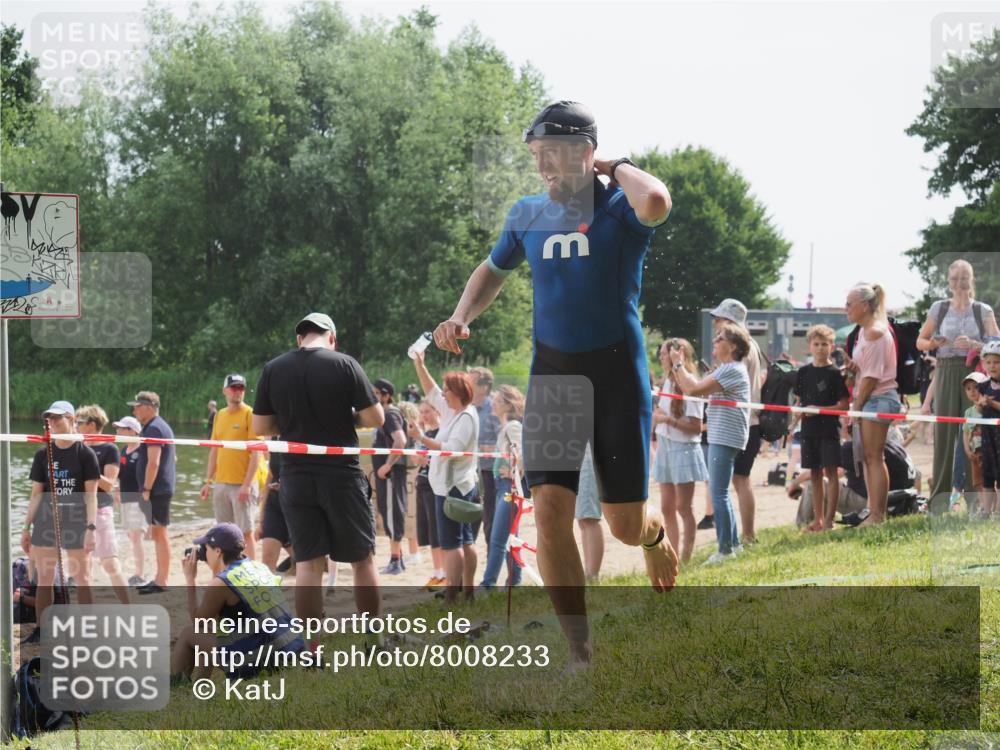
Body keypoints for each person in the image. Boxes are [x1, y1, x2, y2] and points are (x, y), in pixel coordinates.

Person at [432, 100, 676, 665]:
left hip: (618, 375)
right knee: (548, 510)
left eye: (554, 157)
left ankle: (654, 532)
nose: (543, 168)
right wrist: (462, 316)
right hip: (556, 377)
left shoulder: (619, 207)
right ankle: (580, 652)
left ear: (587, 154)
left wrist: (612, 166)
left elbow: (658, 201)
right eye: (536, 157)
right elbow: (491, 271)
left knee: (622, 524)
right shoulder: (526, 214)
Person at [252, 312, 384, 624]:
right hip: (341, 475)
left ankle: (313, 646)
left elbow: (260, 426)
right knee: (362, 559)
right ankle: (372, 637)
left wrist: (290, 422)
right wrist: (346, 417)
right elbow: (374, 418)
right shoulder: (345, 364)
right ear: (332, 338)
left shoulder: (274, 368)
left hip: (295, 477)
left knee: (309, 563)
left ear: (299, 339)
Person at [916, 259, 1000, 511]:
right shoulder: (939, 308)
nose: (960, 283)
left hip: (973, 372)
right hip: (945, 369)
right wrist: (934, 344)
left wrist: (975, 344)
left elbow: (996, 342)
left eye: (964, 278)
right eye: (955, 279)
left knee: (975, 433)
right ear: (949, 282)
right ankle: (939, 500)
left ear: (971, 280)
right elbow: (921, 340)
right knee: (944, 434)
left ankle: (977, 503)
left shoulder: (982, 310)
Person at [170, 523, 303, 680]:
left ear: (218, 551)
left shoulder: (222, 583)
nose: (205, 553)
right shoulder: (258, 567)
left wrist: (190, 579)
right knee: (213, 630)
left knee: (189, 633)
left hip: (261, 662)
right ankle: (201, 682)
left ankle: (177, 684)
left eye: (207, 548)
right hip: (292, 652)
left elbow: (199, 621)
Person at [670, 324, 751, 562]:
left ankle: (725, 549)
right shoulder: (727, 369)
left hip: (724, 436)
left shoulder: (731, 369)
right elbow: (691, 387)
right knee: (721, 491)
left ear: (733, 346)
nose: (715, 341)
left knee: (718, 493)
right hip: (723, 435)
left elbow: (692, 389)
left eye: (720, 338)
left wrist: (678, 363)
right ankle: (733, 545)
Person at [21, 401, 99, 630]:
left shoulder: (85, 454)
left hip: (76, 520)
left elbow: (91, 497)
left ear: (72, 419)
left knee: (82, 578)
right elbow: (36, 494)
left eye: (57, 418)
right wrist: (25, 529)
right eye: (49, 419)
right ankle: (42, 629)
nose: (52, 423)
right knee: (44, 579)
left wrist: (91, 529)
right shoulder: (43, 454)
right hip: (46, 520)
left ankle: (88, 628)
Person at [411, 351, 480, 602]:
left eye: (447, 390)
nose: (442, 394)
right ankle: (467, 591)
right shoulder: (455, 410)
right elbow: (430, 389)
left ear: (458, 393)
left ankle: (453, 593)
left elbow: (451, 450)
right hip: (458, 485)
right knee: (465, 540)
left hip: (452, 488)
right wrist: (420, 364)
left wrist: (421, 439)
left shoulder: (465, 417)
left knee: (452, 544)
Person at [709, 299, 767, 545]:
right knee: (739, 480)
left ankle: (747, 535)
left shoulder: (739, 348)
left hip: (741, 420)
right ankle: (745, 535)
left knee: (739, 480)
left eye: (719, 320)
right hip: (747, 418)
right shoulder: (751, 345)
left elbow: (730, 380)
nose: (715, 325)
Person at [844, 282, 901, 526]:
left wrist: (855, 407)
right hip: (871, 399)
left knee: (874, 458)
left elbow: (872, 378)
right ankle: (873, 511)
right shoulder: (863, 332)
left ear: (865, 306)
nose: (845, 308)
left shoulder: (875, 332)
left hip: (878, 399)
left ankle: (878, 515)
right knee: (869, 458)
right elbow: (866, 371)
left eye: (849, 304)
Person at [788, 326, 850, 531]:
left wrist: (820, 410)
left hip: (829, 429)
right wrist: (796, 418)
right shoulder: (803, 373)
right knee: (814, 474)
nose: (821, 348)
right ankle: (818, 519)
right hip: (808, 430)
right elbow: (799, 401)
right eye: (816, 344)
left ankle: (830, 520)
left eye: (825, 344)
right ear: (809, 346)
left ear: (831, 346)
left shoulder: (834, 373)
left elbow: (843, 405)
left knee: (831, 473)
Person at [653, 339, 707, 564]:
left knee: (683, 507)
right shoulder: (666, 382)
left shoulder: (691, 384)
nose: (661, 358)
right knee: (667, 507)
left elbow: (696, 427)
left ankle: (686, 556)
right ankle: (672, 554)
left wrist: (667, 420)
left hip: (684, 448)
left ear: (678, 355)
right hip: (665, 445)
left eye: (665, 354)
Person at [200, 374, 262, 560]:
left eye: (241, 388)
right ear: (225, 390)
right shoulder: (220, 415)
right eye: (234, 387)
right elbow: (214, 451)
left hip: (242, 484)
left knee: (246, 532)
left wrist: (247, 484)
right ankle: (230, 572)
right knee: (224, 532)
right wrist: (208, 481)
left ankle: (251, 573)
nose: (238, 391)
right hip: (221, 483)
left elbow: (256, 452)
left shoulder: (250, 413)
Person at [788, 436, 915, 527]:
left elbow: (820, 473)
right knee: (831, 486)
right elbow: (840, 472)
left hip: (868, 504)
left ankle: (803, 524)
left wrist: (794, 483)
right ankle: (821, 520)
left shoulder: (852, 447)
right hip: (898, 502)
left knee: (813, 485)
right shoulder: (889, 443)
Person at [74, 405, 130, 604]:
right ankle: (87, 616)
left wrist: (88, 470)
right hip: (77, 511)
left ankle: (128, 607)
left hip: (100, 510)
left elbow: (109, 485)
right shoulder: (77, 446)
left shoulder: (109, 448)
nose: (75, 426)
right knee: (82, 569)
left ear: (91, 425)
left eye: (79, 423)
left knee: (110, 564)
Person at [480, 385, 526, 589]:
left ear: (507, 405)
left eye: (497, 400)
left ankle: (488, 585)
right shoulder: (505, 427)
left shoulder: (512, 426)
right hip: (502, 487)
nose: (493, 404)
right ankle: (514, 581)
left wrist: (515, 472)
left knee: (499, 539)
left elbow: (523, 454)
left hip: (508, 487)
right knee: (509, 537)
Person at [129, 391, 176, 594]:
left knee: (159, 533)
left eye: (137, 406)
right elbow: (172, 459)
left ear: (149, 406)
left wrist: (147, 488)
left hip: (157, 489)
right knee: (158, 533)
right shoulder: (157, 426)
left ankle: (162, 579)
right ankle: (160, 577)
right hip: (161, 487)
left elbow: (154, 461)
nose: (134, 410)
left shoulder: (155, 428)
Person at [370, 378, 409, 575]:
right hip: (386, 476)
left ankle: (395, 560)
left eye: (376, 393)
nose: (373, 396)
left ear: (386, 396)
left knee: (393, 515)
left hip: (392, 475)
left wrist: (387, 464)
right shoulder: (382, 415)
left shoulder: (391, 414)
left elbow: (400, 440)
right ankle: (398, 558)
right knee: (388, 513)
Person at [409, 400, 446, 589]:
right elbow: (418, 459)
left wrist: (427, 461)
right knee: (430, 533)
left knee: (438, 532)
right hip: (423, 484)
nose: (424, 415)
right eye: (421, 412)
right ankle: (437, 572)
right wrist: (418, 459)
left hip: (436, 486)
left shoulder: (442, 432)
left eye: (427, 411)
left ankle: (444, 574)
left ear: (437, 411)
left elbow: (444, 459)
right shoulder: (424, 435)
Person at [468, 367, 501, 551]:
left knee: (490, 522)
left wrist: (487, 448)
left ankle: (491, 572)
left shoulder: (496, 408)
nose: (466, 385)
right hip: (470, 472)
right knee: (468, 523)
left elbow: (505, 441)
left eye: (470, 382)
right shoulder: (467, 407)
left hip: (490, 474)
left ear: (484, 387)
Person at [113, 416, 146, 586]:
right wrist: (117, 491)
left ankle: (139, 574)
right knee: (130, 535)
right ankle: (137, 571)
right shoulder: (123, 450)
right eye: (118, 429)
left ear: (133, 431)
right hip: (125, 497)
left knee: (136, 535)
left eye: (122, 429)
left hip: (139, 499)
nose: (118, 432)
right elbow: (119, 474)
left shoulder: (143, 450)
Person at [396, 400, 423, 567]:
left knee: (410, 514)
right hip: (408, 473)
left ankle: (414, 552)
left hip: (410, 474)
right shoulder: (412, 431)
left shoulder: (409, 431)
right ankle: (411, 552)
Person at [975, 341, 1000, 518]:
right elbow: (978, 409)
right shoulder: (983, 386)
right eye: (989, 362)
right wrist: (981, 405)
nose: (992, 366)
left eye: (997, 362)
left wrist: (991, 403)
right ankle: (986, 510)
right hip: (988, 436)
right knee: (988, 474)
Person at [574, 444, 605, 581]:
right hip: (579, 454)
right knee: (583, 520)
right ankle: (588, 573)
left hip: (588, 454)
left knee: (589, 518)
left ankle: (593, 575)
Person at [962, 372, 988, 516]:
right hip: (975, 452)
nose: (972, 391)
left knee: (991, 480)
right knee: (978, 481)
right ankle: (984, 507)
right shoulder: (968, 412)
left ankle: (993, 507)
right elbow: (966, 432)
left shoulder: (989, 408)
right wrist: (967, 448)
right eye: (968, 388)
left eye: (976, 387)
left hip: (989, 450)